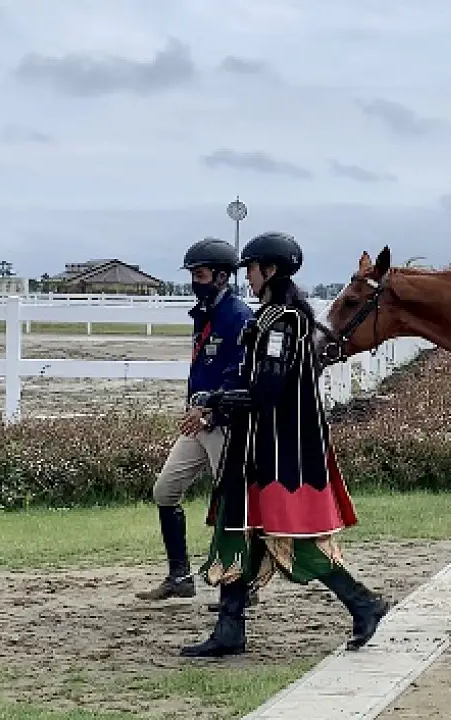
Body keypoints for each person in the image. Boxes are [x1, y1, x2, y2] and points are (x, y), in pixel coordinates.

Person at [180, 231, 391, 658]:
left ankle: (363, 603)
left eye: (252, 269)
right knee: (237, 532)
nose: (248, 277)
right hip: (253, 446)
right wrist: (217, 398)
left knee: (292, 539)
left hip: (277, 453)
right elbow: (249, 379)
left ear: (271, 270)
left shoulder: (284, 322)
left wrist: (217, 400)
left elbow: (267, 392)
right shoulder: (269, 318)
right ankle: (229, 630)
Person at [135, 238, 255, 607]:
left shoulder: (238, 316)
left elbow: (240, 374)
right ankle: (180, 577)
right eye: (193, 275)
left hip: (223, 424)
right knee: (165, 491)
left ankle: (244, 583)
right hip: (198, 422)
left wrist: (211, 409)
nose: (194, 282)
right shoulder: (204, 313)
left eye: (199, 275)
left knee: (234, 504)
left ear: (221, 277)